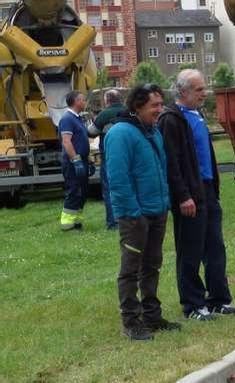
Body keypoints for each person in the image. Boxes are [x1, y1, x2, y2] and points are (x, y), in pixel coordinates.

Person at [158, 70, 235, 321]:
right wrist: (183, 196)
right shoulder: (171, 119)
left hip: (207, 190)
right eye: (199, 90)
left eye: (204, 88)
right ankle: (193, 304)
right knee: (190, 250)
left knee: (215, 247)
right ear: (183, 92)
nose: (205, 94)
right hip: (189, 192)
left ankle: (217, 299)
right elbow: (172, 162)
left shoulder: (197, 115)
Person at [104, 84, 178, 341]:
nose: (160, 110)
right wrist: (133, 213)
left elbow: (161, 169)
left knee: (152, 265)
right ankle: (131, 321)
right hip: (135, 216)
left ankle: (152, 315)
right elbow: (118, 178)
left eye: (161, 104)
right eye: (154, 106)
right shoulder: (120, 134)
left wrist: (165, 201)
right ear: (137, 106)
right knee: (130, 269)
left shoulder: (152, 131)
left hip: (158, 210)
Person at [89, 89, 123, 230]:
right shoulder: (131, 112)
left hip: (110, 158)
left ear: (107, 101)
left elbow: (91, 132)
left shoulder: (104, 114)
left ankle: (113, 222)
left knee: (110, 190)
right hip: (129, 157)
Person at [58, 90, 92, 231]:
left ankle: (76, 221)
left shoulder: (78, 118)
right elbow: (67, 142)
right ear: (76, 101)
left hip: (82, 160)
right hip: (73, 162)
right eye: (83, 100)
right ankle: (67, 225)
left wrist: (87, 158)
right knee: (74, 190)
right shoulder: (67, 119)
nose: (85, 102)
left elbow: (81, 140)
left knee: (82, 191)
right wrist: (76, 159)